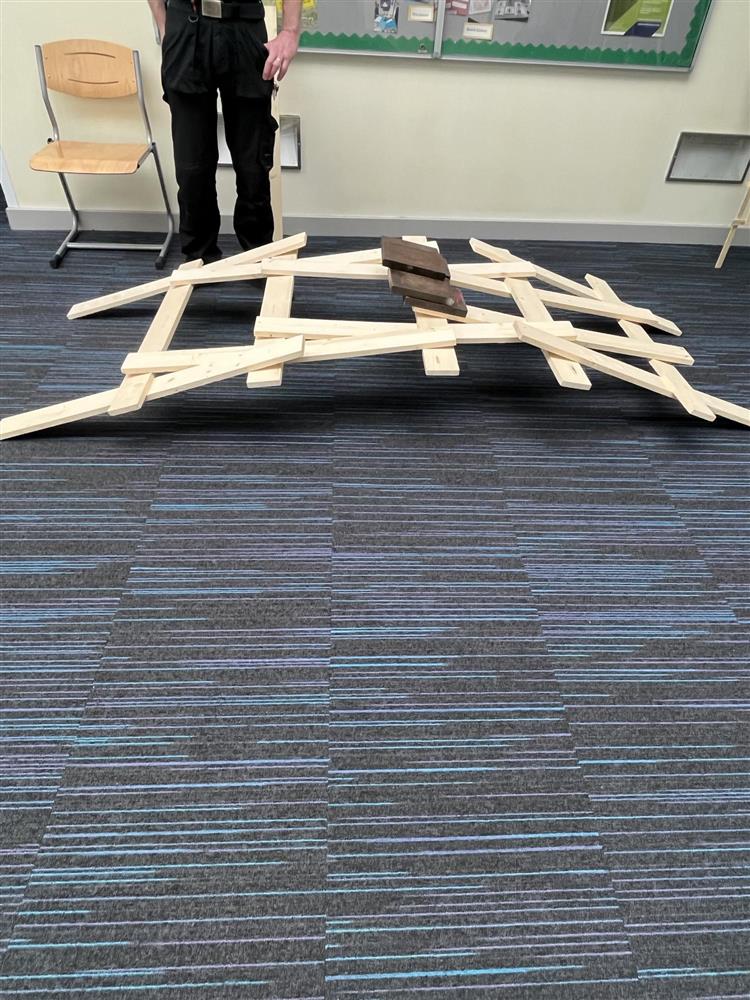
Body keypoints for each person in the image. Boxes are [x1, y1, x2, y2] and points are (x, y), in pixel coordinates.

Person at [147, 0, 301, 263]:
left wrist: (290, 31)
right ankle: (199, 260)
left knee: (253, 166)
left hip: (244, 26)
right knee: (192, 168)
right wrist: (165, 26)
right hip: (186, 23)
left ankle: (258, 259)